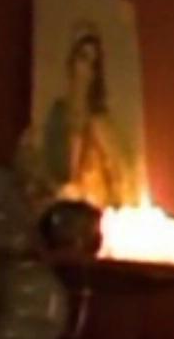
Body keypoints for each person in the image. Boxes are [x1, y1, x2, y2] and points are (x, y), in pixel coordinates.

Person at [38, 24, 139, 208]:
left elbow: (120, 174)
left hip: (94, 207)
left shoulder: (101, 123)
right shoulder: (57, 114)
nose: (86, 70)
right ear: (72, 62)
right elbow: (42, 164)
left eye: (93, 64)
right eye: (83, 58)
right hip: (61, 207)